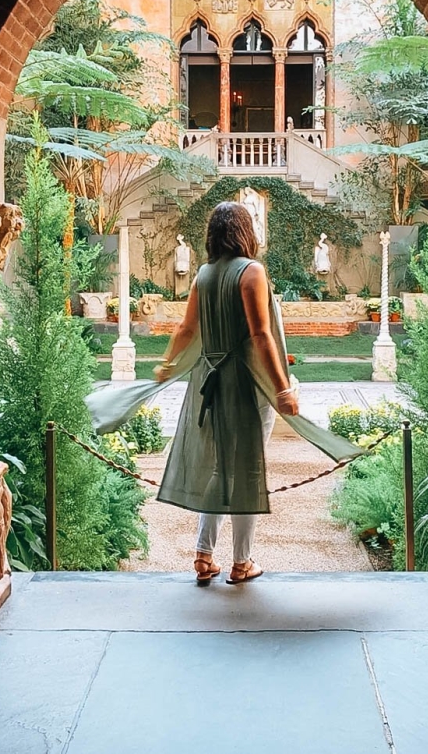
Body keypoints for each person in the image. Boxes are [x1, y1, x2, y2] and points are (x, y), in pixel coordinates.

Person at [153, 202, 298, 585]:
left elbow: (186, 329)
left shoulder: (204, 274)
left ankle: (203, 556)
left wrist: (167, 364)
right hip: (246, 386)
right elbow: (261, 334)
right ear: (245, 231)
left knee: (219, 468)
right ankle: (241, 562)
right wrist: (283, 388)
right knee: (246, 471)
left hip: (209, 384)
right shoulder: (251, 272)